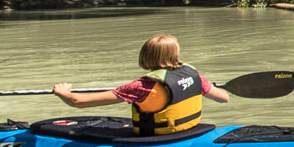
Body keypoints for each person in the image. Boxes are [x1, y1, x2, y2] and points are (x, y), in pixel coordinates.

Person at [52, 35, 232, 135]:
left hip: (160, 136)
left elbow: (78, 102)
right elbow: (224, 98)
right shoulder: (195, 75)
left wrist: (64, 93)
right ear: (175, 54)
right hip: (189, 129)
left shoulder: (141, 87)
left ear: (145, 56)